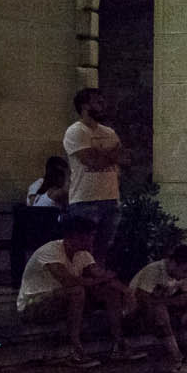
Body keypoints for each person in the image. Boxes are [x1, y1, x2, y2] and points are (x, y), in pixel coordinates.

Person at [17, 215, 142, 367]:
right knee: (76, 291)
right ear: (74, 236)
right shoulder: (50, 251)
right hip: (34, 304)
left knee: (109, 291)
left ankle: (119, 343)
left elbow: (100, 275)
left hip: (62, 302)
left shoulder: (83, 254)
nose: (91, 240)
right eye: (88, 236)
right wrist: (99, 280)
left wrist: (127, 292)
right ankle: (74, 349)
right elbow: (68, 281)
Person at [63, 88, 129, 266]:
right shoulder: (76, 131)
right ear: (85, 106)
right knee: (82, 250)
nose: (103, 105)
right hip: (85, 199)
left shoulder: (109, 132)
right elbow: (92, 162)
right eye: (98, 102)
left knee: (103, 250)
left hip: (110, 197)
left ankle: (98, 281)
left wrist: (101, 154)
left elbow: (124, 158)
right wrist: (111, 154)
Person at [130, 244, 187, 373]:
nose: (186, 275)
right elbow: (142, 299)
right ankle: (178, 360)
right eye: (184, 271)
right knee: (160, 310)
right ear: (173, 262)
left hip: (169, 311)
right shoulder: (154, 270)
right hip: (140, 313)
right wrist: (173, 301)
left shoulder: (185, 275)